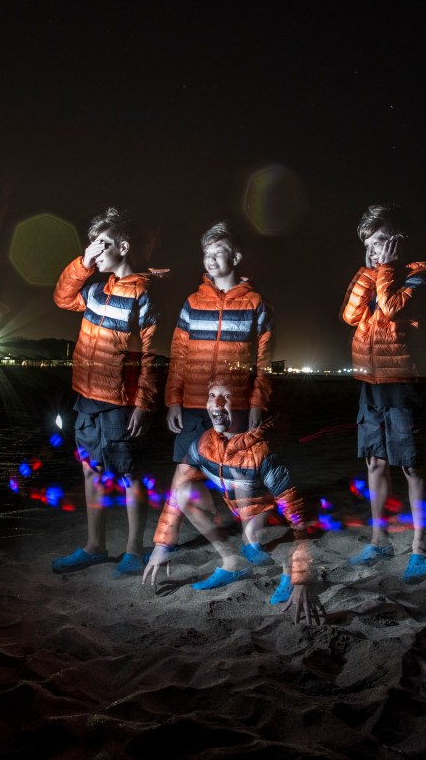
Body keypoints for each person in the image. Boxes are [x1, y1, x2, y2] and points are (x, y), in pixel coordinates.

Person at [143, 379, 324, 624]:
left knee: (264, 533)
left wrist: (301, 575)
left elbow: (298, 517)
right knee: (185, 491)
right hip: (239, 510)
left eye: (226, 397)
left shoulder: (264, 451)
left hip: (273, 514)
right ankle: (232, 562)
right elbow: (177, 490)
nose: (217, 403)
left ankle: (286, 571)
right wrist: (162, 544)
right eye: (212, 395)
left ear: (244, 405)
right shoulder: (205, 443)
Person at [50, 206, 165, 578]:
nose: (94, 251)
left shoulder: (144, 293)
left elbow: (151, 354)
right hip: (86, 396)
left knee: (130, 474)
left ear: (124, 247)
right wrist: (83, 263)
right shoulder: (95, 289)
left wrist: (144, 404)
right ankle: (95, 547)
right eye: (92, 244)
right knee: (90, 471)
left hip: (121, 401)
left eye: (102, 244)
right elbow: (63, 298)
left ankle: (133, 551)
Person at [162, 221, 275, 565]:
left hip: (234, 404)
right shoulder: (192, 303)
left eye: (219, 252)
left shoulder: (255, 303)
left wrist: (257, 403)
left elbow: (264, 361)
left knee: (242, 475)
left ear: (235, 257)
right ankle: (166, 540)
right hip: (194, 403)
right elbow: (178, 356)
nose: (211, 259)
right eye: (206, 253)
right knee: (184, 471)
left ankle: (251, 542)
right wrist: (173, 400)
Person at [340, 203, 426, 584]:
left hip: (402, 382)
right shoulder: (374, 273)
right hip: (370, 382)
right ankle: (380, 542)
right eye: (368, 243)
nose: (373, 249)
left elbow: (391, 308)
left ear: (399, 240)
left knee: (411, 464)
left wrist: (384, 270)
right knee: (375, 463)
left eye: (380, 240)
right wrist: (368, 272)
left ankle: (420, 547)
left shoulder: (419, 275)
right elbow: (350, 315)